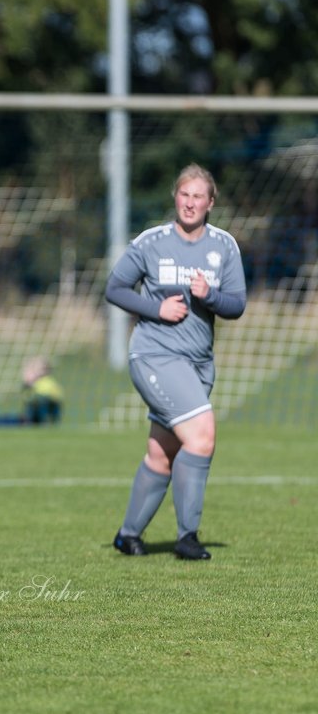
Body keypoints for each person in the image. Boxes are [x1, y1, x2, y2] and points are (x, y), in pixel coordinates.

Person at [105, 163, 246, 560]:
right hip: (154, 355)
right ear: (175, 198)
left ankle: (128, 535)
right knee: (202, 434)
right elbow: (115, 288)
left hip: (198, 364)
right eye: (184, 194)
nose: (190, 202)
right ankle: (188, 538)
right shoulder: (151, 242)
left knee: (161, 453)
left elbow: (237, 304)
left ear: (210, 203)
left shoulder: (224, 247)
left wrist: (210, 296)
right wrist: (155, 308)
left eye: (198, 196)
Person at [0, 356, 64, 427]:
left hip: (32, 422)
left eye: (29, 369)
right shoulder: (36, 386)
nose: (25, 373)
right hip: (29, 420)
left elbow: (44, 407)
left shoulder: (45, 384)